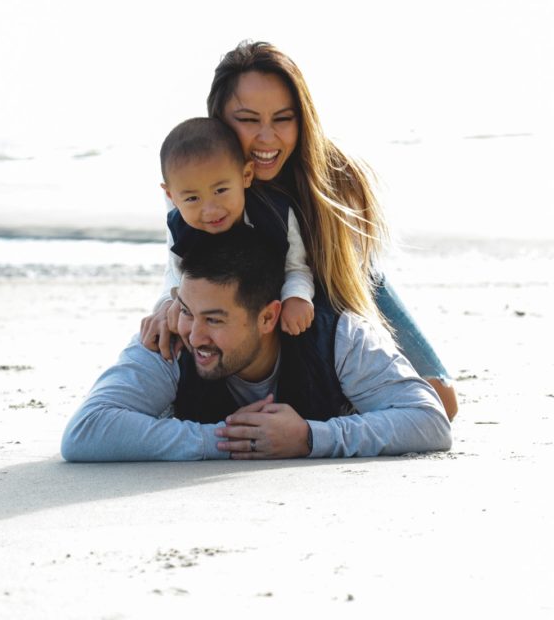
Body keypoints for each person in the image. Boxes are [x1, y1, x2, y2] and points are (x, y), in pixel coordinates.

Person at [141, 40, 458, 421]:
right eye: (247, 119)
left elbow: (350, 276)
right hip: (252, 299)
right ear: (219, 119)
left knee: (441, 399)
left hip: (333, 284)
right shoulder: (195, 176)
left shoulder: (331, 178)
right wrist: (166, 304)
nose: (267, 137)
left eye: (282, 118)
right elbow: (179, 261)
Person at [61, 227, 452, 462]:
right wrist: (220, 441)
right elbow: (85, 431)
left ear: (268, 317)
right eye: (187, 310)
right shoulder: (172, 336)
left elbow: (429, 421)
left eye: (215, 320)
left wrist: (310, 438)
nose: (195, 335)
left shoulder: (339, 337)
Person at [157, 116, 315, 344]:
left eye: (221, 190)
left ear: (246, 175)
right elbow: (176, 275)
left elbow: (296, 267)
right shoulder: (179, 227)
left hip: (271, 312)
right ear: (171, 195)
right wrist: (172, 303)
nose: (210, 210)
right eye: (192, 198)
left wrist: (296, 296)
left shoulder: (276, 214)